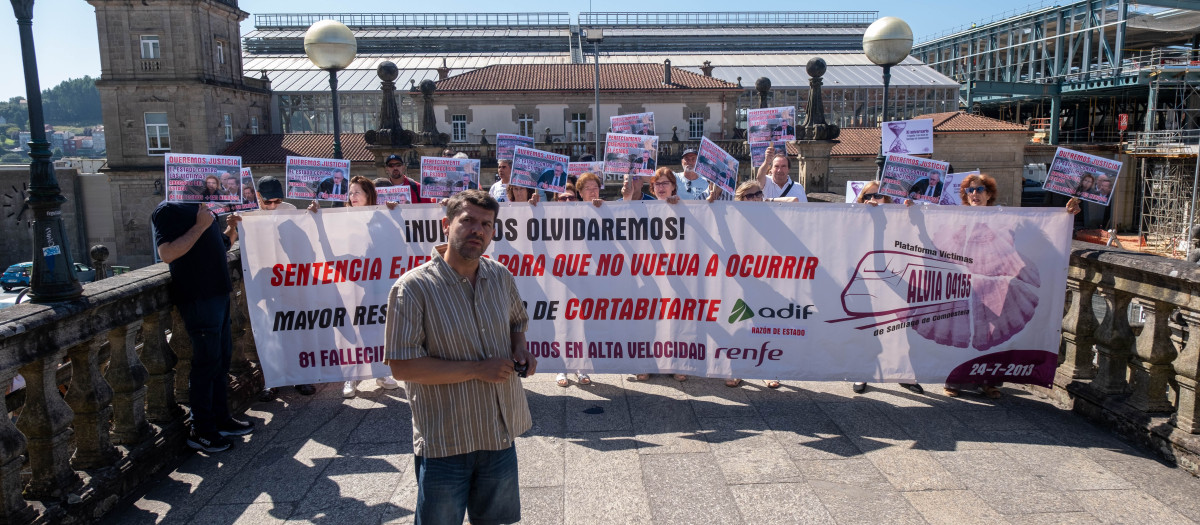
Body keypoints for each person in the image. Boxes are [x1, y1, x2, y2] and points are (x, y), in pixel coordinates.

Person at [384, 190, 536, 525]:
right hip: (445, 441)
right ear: (446, 225)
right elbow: (402, 365)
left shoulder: (499, 275)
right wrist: (478, 369)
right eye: (467, 220)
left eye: (486, 224)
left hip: (499, 432)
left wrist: (520, 347)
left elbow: (516, 320)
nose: (477, 230)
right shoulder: (412, 288)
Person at [945, 174, 1080, 399]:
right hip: (965, 284)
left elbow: (1038, 229)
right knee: (963, 331)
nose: (974, 194)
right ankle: (954, 380)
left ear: (989, 194)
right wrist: (907, 208)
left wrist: (1065, 215)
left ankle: (989, 382)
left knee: (993, 335)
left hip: (996, 284)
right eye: (970, 191)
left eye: (979, 190)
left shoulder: (1005, 217)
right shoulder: (954, 217)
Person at [151, 201, 253, 453]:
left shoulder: (203, 208)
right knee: (206, 365)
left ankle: (221, 419)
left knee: (221, 361)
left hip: (218, 294)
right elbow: (167, 254)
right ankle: (201, 430)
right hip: (198, 297)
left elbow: (222, 245)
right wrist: (199, 226)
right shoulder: (168, 210)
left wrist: (231, 229)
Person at [306, 176, 403, 397]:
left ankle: (380, 371)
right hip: (350, 280)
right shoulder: (341, 218)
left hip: (377, 281)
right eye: (350, 193)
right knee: (352, 327)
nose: (352, 197)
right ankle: (351, 376)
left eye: (357, 192)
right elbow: (328, 245)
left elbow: (401, 240)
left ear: (369, 195)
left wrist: (394, 213)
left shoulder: (381, 216)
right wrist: (317, 216)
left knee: (378, 325)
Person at [224, 176, 318, 401]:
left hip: (288, 278)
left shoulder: (290, 209)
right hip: (261, 281)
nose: (274, 205)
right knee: (267, 332)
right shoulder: (245, 213)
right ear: (258, 197)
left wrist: (315, 217)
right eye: (269, 202)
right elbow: (228, 242)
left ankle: (300, 377)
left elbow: (305, 242)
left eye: (278, 200)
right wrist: (232, 226)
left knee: (294, 328)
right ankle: (272, 380)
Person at [851, 181, 923, 395]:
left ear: (888, 198)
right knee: (867, 328)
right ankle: (862, 373)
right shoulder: (854, 219)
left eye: (878, 195)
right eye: (868, 196)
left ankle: (904, 374)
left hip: (896, 278)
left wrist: (912, 212)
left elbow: (918, 234)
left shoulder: (899, 217)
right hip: (867, 280)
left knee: (900, 329)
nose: (873, 199)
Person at [628, 167, 684, 382]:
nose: (661, 187)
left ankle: (675, 363)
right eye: (657, 184)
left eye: (665, 183)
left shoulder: (685, 207)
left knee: (674, 318)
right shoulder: (644, 206)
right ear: (652, 187)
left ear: (673, 186)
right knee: (648, 318)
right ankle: (645, 363)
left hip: (676, 272)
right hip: (647, 271)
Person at [554, 172, 606, 387]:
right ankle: (561, 368)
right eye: (562, 198)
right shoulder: (549, 217)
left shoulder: (593, 212)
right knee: (561, 322)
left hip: (587, 276)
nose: (567, 201)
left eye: (570, 198)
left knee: (583, 323)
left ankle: (582, 367)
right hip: (561, 277)